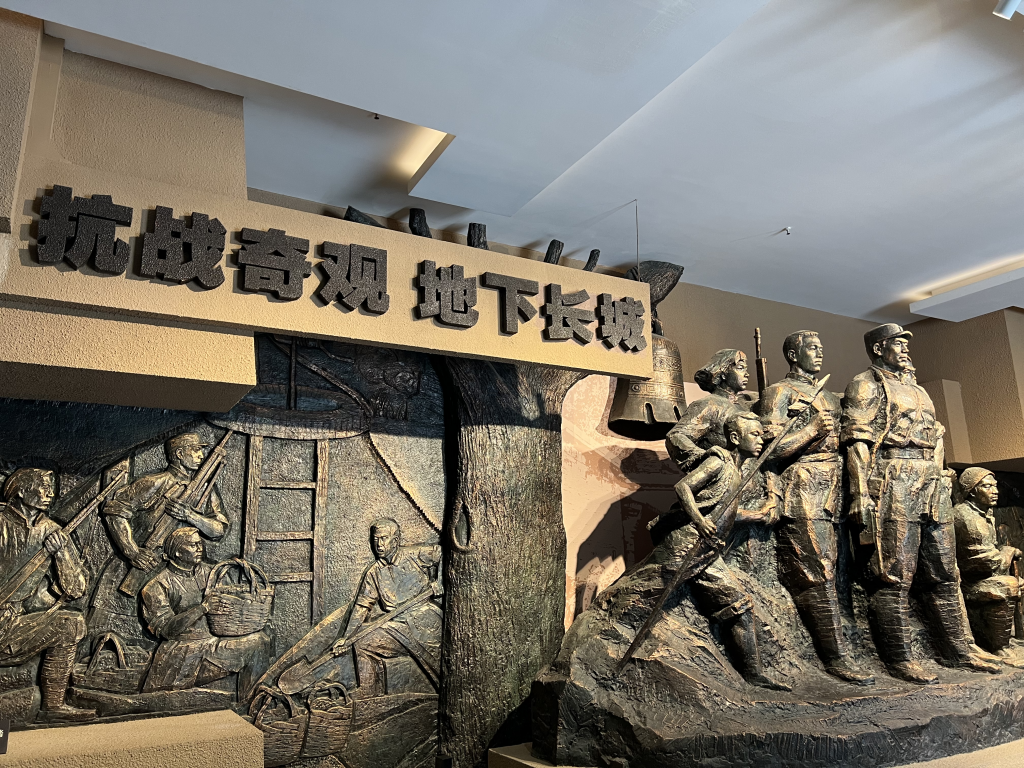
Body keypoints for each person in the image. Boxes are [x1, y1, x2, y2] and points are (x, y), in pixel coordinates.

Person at [843, 323, 999, 684]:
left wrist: (941, 473)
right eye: (897, 344)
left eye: (905, 344)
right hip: (894, 478)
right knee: (893, 574)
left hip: (931, 480)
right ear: (878, 348)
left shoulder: (918, 389)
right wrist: (860, 492)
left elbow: (937, 434)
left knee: (944, 570)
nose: (904, 349)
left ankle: (958, 650)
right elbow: (857, 442)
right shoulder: (865, 384)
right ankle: (899, 659)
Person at [646, 411, 790, 691]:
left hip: (707, 551)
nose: (761, 439)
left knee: (739, 604)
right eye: (755, 434)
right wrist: (700, 521)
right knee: (645, 594)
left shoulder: (736, 471)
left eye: (761, 435)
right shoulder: (718, 462)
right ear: (735, 438)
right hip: (686, 545)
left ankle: (753, 674)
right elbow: (683, 487)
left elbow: (724, 511)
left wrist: (758, 515)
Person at [760, 331, 873, 685]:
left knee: (843, 575)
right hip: (804, 488)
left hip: (837, 489)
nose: (820, 353)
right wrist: (810, 429)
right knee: (817, 574)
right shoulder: (778, 393)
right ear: (793, 355)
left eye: (822, 348)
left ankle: (851, 648)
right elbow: (768, 453)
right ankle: (834, 657)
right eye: (812, 348)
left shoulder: (829, 396)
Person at [89, 433, 228, 641]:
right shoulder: (155, 482)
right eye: (196, 450)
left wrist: (191, 516)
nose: (201, 455)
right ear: (179, 454)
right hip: (138, 567)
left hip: (179, 576)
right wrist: (132, 552)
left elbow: (219, 530)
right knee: (105, 629)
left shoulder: (206, 489)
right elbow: (114, 510)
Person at [0, 468, 95, 721]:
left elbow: (76, 589)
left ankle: (53, 706)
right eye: (42, 486)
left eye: (51, 487)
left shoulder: (52, 530)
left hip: (12, 624)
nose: (50, 493)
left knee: (71, 624)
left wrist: (61, 554)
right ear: (21, 491)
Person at [140, 527, 271, 698]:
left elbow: (232, 598)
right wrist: (202, 608)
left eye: (199, 544)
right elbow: (166, 630)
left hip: (213, 644)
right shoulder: (156, 586)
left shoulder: (212, 573)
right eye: (192, 545)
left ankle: (249, 699)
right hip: (182, 649)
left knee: (260, 641)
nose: (199, 548)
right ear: (177, 552)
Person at [332, 519, 442, 696]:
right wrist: (347, 637)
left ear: (396, 540)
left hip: (425, 620)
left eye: (383, 538)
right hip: (397, 627)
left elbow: (443, 554)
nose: (378, 544)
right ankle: (370, 694)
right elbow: (361, 607)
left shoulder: (414, 555)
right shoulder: (374, 572)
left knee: (439, 667)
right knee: (363, 641)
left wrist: (439, 581)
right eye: (375, 539)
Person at [952, 468, 1022, 661]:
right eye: (987, 486)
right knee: (1009, 585)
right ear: (972, 491)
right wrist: (1007, 552)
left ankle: (1001, 638)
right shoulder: (967, 518)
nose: (995, 491)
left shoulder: (984, 513)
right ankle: (998, 647)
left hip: (981, 577)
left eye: (995, 486)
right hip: (966, 584)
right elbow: (984, 562)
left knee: (1017, 583)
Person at [666, 349, 755, 474]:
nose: (747, 374)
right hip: (722, 475)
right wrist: (703, 456)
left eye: (745, 369)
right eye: (740, 368)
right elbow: (676, 436)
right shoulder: (709, 404)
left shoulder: (744, 407)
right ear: (723, 373)